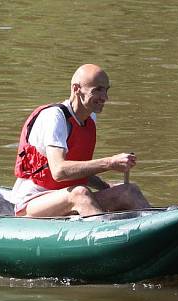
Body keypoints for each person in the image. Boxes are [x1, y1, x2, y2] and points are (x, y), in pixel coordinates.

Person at [12, 64, 150, 217]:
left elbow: (79, 170)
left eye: (106, 90)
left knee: (129, 191)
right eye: (97, 90)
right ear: (76, 89)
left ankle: (157, 229)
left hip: (67, 198)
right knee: (80, 193)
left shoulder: (89, 117)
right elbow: (59, 171)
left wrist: (106, 186)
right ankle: (106, 235)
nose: (105, 97)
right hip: (31, 203)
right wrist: (110, 162)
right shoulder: (54, 118)